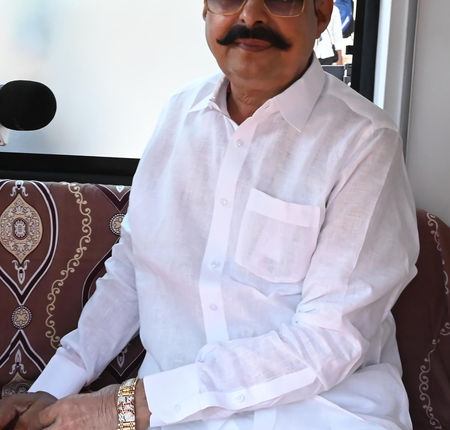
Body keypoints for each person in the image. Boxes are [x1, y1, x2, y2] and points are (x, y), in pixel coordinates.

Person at [0, 0, 419, 429]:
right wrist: (52, 390)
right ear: (205, 9)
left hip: (318, 412)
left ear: (322, 14)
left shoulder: (365, 142)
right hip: (174, 416)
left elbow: (329, 341)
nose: (250, 16)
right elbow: (132, 273)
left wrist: (120, 408)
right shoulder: (178, 115)